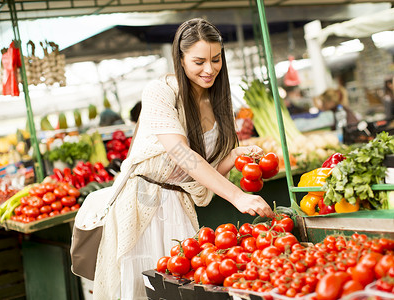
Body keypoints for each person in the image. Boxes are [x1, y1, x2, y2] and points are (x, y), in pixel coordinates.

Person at [92, 18, 274, 299]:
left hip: (179, 206)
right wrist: (238, 196)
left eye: (216, 59)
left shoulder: (218, 99)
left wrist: (234, 155)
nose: (209, 69)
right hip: (144, 204)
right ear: (180, 57)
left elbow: (201, 173)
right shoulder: (160, 91)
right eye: (199, 61)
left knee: (181, 284)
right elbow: (179, 152)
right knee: (146, 286)